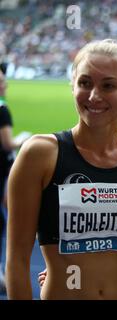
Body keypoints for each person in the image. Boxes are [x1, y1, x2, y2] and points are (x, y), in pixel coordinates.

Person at [6, 39, 117, 299]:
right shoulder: (40, 155)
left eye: (108, 85)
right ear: (72, 86)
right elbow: (17, 262)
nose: (94, 96)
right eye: (85, 83)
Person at [0, 65, 30, 293]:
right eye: (2, 81)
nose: (6, 84)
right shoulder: (3, 110)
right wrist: (22, 140)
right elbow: (7, 144)